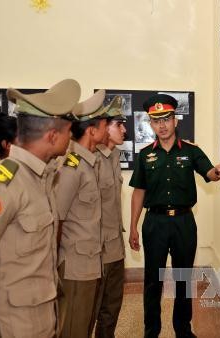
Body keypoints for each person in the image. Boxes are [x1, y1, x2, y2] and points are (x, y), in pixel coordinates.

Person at [0, 79, 81, 338]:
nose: (71, 139)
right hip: (11, 325)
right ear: (52, 135)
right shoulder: (2, 184)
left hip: (42, 317)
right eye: (69, 131)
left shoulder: (43, 177)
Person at [128, 94, 220, 338]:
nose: (162, 125)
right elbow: (139, 192)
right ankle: (151, 331)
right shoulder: (145, 155)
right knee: (152, 281)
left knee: (183, 279)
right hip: (154, 222)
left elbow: (210, 172)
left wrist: (218, 172)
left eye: (166, 119)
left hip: (184, 223)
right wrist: (133, 226)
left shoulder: (191, 151)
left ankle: (183, 330)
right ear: (151, 124)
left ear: (175, 120)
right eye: (156, 121)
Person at [55, 89, 108, 338]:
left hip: (89, 262)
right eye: (105, 125)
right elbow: (56, 218)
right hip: (75, 266)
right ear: (92, 130)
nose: (108, 131)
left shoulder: (89, 163)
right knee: (73, 328)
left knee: (83, 325)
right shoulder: (72, 167)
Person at [92, 96, 127, 337]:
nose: (124, 129)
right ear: (103, 128)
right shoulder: (90, 159)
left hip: (115, 245)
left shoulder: (114, 157)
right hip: (94, 250)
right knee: (88, 309)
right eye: (118, 124)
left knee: (111, 307)